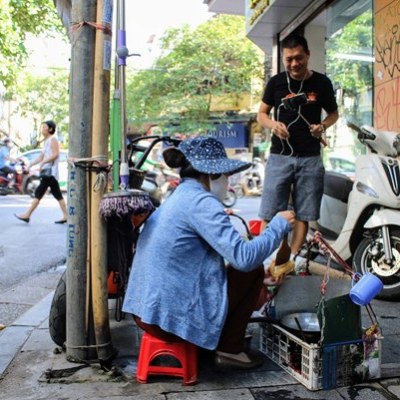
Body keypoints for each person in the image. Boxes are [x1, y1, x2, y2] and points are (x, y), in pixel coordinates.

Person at [122, 136, 295, 369]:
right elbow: (244, 258)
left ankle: (220, 341)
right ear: (212, 175)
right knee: (251, 267)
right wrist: (278, 225)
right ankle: (230, 349)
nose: (227, 181)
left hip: (145, 311)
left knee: (249, 272)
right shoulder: (201, 201)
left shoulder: (181, 197)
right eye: (225, 175)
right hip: (163, 318)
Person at [257, 34, 339, 256]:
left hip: (310, 158)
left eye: (299, 58)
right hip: (279, 156)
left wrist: (322, 126)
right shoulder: (276, 83)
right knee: (270, 212)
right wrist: (273, 125)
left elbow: (334, 114)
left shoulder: (322, 83)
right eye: (289, 59)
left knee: (305, 213)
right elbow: (261, 114)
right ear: (284, 59)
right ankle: (264, 259)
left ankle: (291, 261)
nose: (294, 64)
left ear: (308, 55)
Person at [15, 121, 68, 224]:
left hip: (50, 172)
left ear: (50, 129)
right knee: (57, 194)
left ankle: (27, 215)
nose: (42, 129)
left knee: (39, 192)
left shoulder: (53, 140)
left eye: (44, 127)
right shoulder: (47, 141)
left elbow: (56, 154)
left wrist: (44, 162)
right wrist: (31, 164)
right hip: (48, 172)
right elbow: (41, 156)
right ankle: (66, 215)